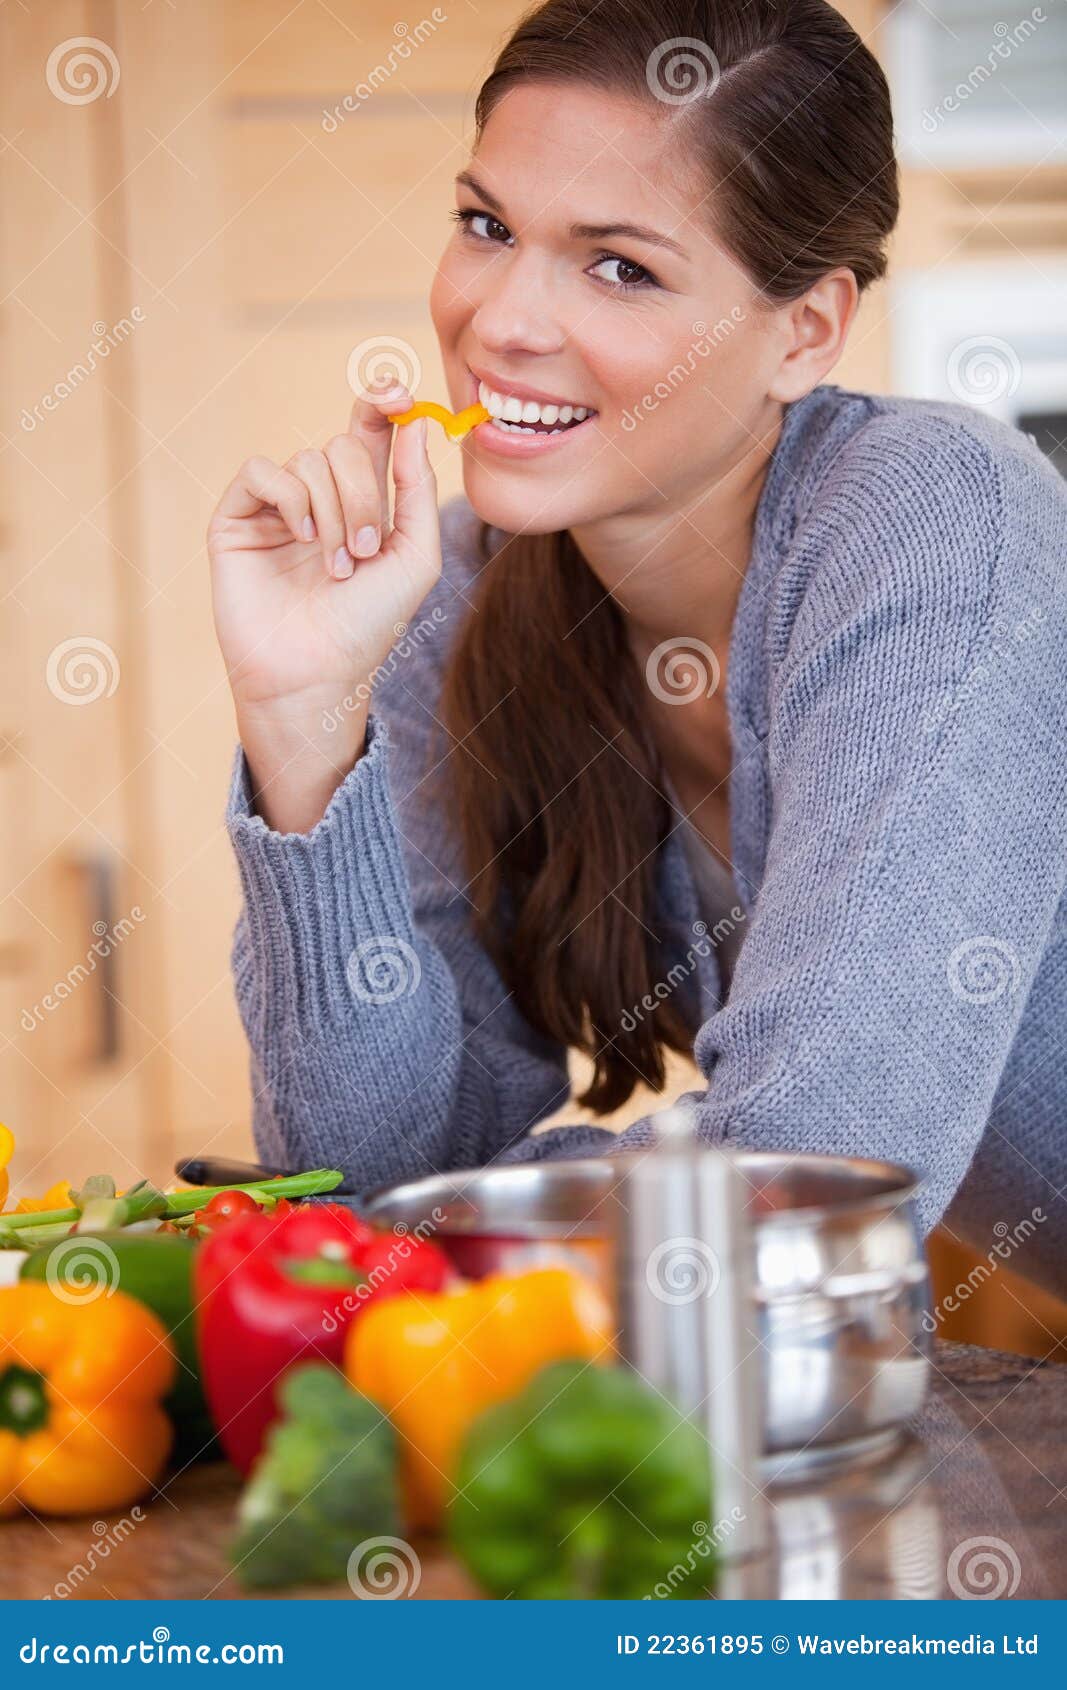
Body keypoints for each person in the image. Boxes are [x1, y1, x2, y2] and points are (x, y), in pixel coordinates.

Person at [207, 0, 1067, 1290]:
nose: (500, 322)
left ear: (807, 332)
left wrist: (459, 1222)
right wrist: (303, 721)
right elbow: (364, 1179)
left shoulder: (938, 516)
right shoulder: (453, 596)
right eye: (487, 227)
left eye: (620, 266)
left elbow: (812, 1162)